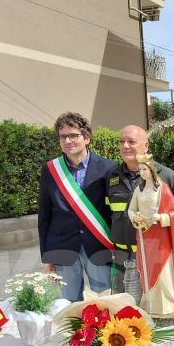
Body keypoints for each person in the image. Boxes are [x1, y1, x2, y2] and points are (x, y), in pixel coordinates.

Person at [38, 112, 117, 301]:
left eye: (73, 135)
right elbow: (44, 215)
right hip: (62, 247)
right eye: (63, 136)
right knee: (66, 306)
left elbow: (114, 211)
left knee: (105, 302)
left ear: (87, 138)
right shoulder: (50, 169)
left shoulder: (108, 168)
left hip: (98, 246)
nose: (68, 140)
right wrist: (46, 257)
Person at [107, 125, 174, 292]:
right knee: (121, 309)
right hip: (121, 257)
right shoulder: (112, 177)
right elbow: (107, 215)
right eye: (122, 142)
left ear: (146, 145)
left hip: (153, 256)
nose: (125, 146)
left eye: (131, 142)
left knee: (152, 309)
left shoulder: (167, 176)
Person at [127, 154, 174, 317]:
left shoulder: (163, 188)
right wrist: (134, 217)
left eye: (144, 169)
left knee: (163, 271)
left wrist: (161, 217)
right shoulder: (138, 190)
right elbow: (131, 209)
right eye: (140, 170)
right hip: (145, 235)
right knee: (148, 269)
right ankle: (149, 303)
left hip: (161, 236)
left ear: (152, 170)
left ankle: (166, 303)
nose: (141, 172)